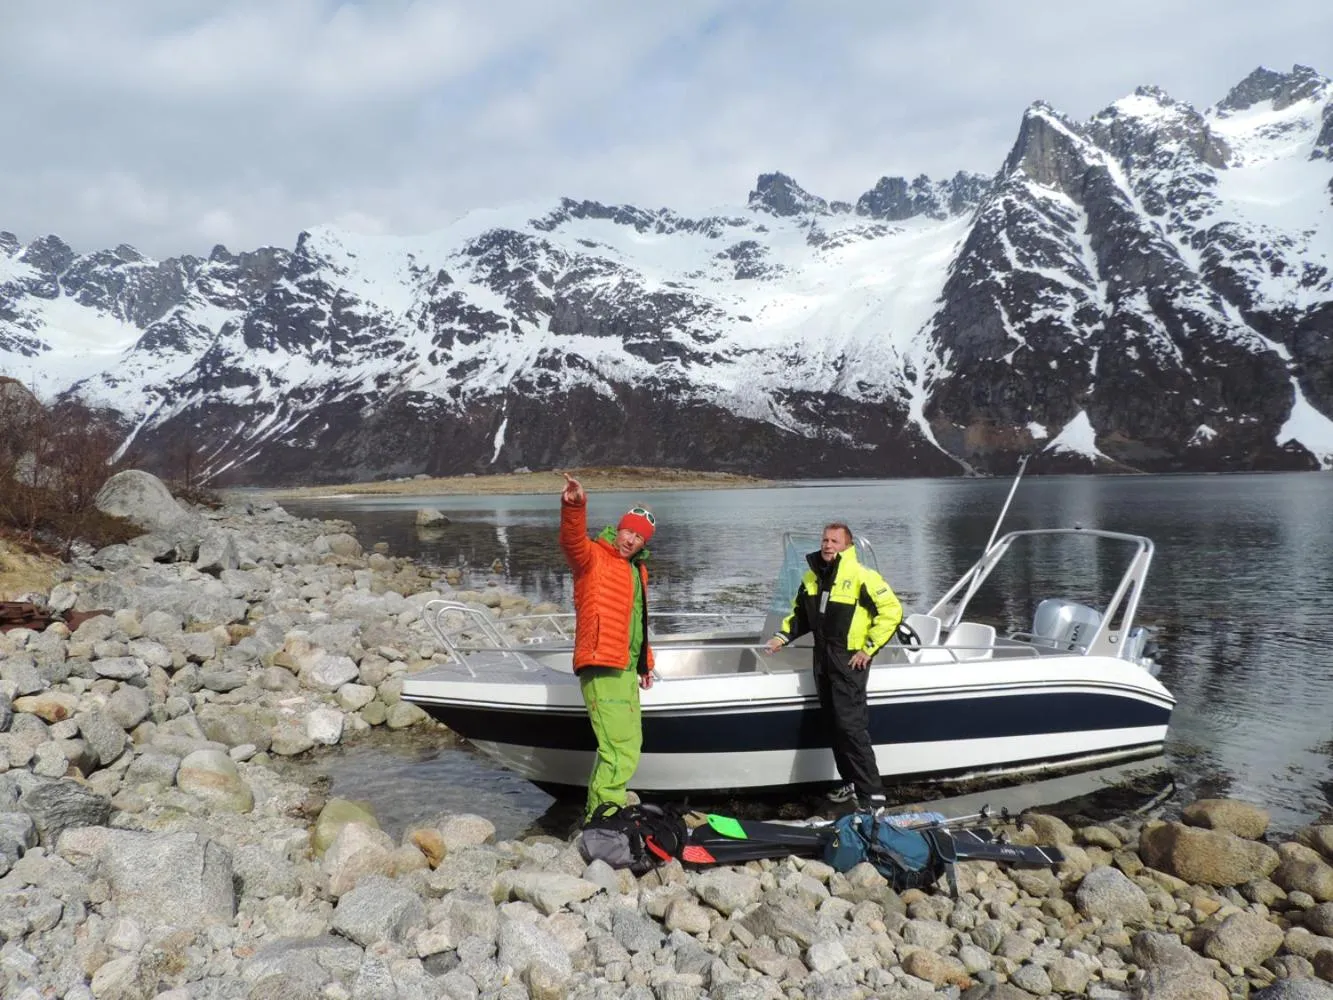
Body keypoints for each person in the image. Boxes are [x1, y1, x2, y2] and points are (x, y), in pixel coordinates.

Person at [765, 522, 902, 808]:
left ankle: (872, 794)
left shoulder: (862, 576)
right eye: (825, 540)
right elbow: (800, 615)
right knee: (834, 725)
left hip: (848, 659)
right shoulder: (813, 577)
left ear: (848, 546)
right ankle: (850, 784)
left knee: (851, 728)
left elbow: (892, 611)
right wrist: (781, 637)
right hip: (823, 659)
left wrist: (869, 649)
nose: (827, 545)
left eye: (834, 541)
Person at [559, 472, 658, 822]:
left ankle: (599, 814)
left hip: (625, 669)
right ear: (618, 529)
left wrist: (645, 664)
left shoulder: (637, 571)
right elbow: (571, 540)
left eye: (639, 536)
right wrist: (575, 506)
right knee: (619, 749)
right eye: (628, 531)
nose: (630, 539)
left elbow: (638, 622)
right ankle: (603, 820)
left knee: (626, 745)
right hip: (601, 663)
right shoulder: (592, 558)